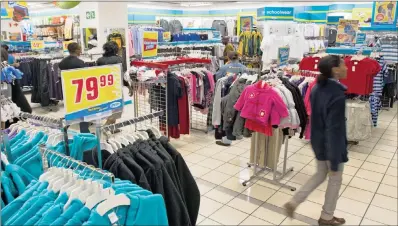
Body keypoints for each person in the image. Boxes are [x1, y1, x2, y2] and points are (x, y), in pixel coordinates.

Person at [284, 55, 348, 226]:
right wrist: (335, 158)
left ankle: (294, 202)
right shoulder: (337, 94)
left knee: (320, 174)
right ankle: (327, 216)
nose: (347, 68)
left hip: (317, 140)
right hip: (331, 145)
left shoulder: (316, 87)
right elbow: (334, 129)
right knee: (335, 179)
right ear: (335, 69)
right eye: (344, 65)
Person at [59, 42, 90, 133]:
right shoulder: (80, 63)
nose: (81, 51)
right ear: (76, 50)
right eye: (80, 49)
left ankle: (64, 128)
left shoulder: (62, 63)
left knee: (70, 110)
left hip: (68, 90)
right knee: (83, 110)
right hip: (79, 90)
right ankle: (84, 132)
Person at [96, 41, 129, 128]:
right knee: (116, 110)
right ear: (115, 49)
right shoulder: (119, 59)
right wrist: (129, 86)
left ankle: (112, 128)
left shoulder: (99, 60)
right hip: (115, 88)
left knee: (109, 109)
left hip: (103, 88)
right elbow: (123, 76)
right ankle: (105, 128)